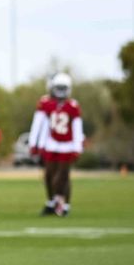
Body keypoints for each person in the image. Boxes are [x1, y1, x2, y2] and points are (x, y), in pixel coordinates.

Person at [28, 72, 84, 217]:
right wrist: (34, 144)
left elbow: (78, 128)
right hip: (51, 144)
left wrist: (77, 147)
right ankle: (52, 202)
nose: (60, 91)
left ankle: (64, 204)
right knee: (48, 176)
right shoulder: (46, 103)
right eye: (58, 87)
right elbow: (38, 124)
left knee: (62, 177)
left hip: (67, 145)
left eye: (63, 88)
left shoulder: (73, 106)